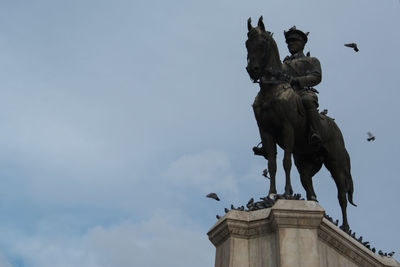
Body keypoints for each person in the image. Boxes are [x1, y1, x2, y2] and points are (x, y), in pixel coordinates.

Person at [282, 26, 322, 145]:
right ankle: (266, 143)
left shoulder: (311, 60)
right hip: (284, 93)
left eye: (294, 41)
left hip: (302, 92)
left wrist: (297, 80)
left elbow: (316, 76)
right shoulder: (283, 64)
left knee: (307, 100)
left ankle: (316, 132)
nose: (290, 43)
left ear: (302, 44)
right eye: (288, 42)